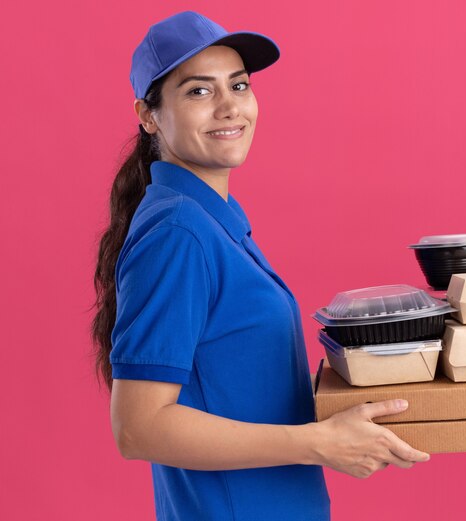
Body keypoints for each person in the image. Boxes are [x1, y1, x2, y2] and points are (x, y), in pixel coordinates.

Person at [91, 10, 430, 521]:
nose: (230, 107)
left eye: (240, 85)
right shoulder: (178, 234)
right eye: (199, 91)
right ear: (148, 115)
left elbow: (236, 379)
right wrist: (318, 443)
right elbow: (139, 427)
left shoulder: (212, 222)